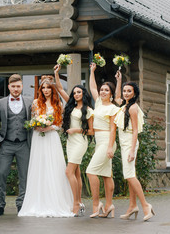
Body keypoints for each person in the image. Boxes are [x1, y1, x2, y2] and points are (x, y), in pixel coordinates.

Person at [18, 79, 74, 217]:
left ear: (52, 89)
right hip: (38, 137)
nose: (46, 90)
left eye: (49, 87)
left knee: (53, 167)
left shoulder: (58, 104)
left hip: (51, 137)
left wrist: (50, 127)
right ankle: (37, 201)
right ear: (41, 89)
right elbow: (31, 119)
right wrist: (36, 125)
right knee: (39, 167)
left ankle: (55, 201)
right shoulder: (36, 103)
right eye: (43, 88)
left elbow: (60, 124)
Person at [54, 64, 94, 216]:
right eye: (75, 92)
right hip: (70, 142)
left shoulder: (89, 111)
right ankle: (80, 201)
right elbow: (60, 89)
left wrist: (76, 130)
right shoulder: (71, 106)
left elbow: (91, 131)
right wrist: (56, 73)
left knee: (68, 171)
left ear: (83, 94)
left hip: (80, 142)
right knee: (76, 173)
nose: (76, 94)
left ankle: (75, 203)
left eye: (79, 92)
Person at [114, 72, 155, 221]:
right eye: (125, 91)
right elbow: (116, 98)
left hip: (129, 144)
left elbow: (136, 130)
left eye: (129, 91)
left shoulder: (132, 108)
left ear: (135, 93)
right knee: (131, 174)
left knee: (129, 175)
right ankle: (132, 206)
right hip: (125, 143)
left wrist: (132, 150)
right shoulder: (124, 105)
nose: (125, 93)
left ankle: (145, 205)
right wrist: (119, 81)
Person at [0, 74, 32, 216]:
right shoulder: (1, 102)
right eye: (13, 86)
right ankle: (0, 205)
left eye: (18, 86)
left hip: (23, 144)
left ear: (22, 87)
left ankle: (22, 204)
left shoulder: (29, 101)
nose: (16, 89)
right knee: (2, 174)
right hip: (6, 143)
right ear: (9, 86)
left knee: (24, 176)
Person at [86, 62, 119, 218]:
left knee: (91, 171)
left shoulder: (114, 108)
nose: (103, 91)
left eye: (106, 90)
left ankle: (96, 203)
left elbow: (113, 129)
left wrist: (110, 147)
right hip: (99, 141)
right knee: (106, 174)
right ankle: (109, 205)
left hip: (107, 141)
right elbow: (92, 87)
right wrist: (92, 71)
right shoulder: (98, 102)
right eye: (102, 89)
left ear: (111, 93)